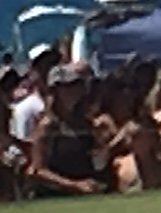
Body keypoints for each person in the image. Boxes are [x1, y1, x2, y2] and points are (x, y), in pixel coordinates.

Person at [28, 63, 109, 199]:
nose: (74, 91)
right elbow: (37, 170)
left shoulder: (86, 123)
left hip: (88, 193)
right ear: (55, 91)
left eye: (77, 85)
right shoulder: (48, 127)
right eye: (68, 87)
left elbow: (96, 161)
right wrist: (74, 185)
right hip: (54, 198)